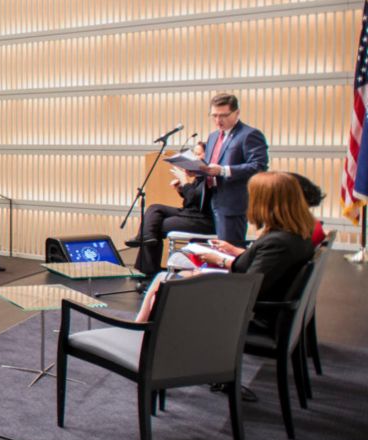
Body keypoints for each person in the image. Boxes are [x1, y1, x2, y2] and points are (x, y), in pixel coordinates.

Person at [136, 171, 315, 323]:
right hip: (258, 304)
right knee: (165, 279)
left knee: (164, 287)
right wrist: (235, 254)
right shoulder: (295, 235)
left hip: (246, 315)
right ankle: (143, 331)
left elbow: (249, 289)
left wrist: (216, 267)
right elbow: (260, 267)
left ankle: (147, 337)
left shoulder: (278, 242)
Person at [125, 141, 214, 277]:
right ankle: (145, 239)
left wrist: (184, 182)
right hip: (191, 214)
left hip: (201, 220)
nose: (195, 157)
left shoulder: (209, 177)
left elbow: (197, 202)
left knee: (157, 225)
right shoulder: (199, 177)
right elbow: (191, 201)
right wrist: (181, 189)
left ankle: (147, 269)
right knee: (154, 209)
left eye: (198, 154)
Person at [195, 92, 269, 246]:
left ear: (237, 113)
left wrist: (223, 170)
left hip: (232, 202)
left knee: (229, 249)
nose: (218, 120)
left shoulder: (249, 135)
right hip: (209, 198)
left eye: (223, 115)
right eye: (214, 115)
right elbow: (210, 165)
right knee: (213, 249)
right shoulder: (213, 136)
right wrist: (196, 169)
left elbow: (258, 166)